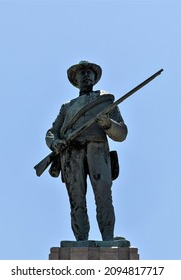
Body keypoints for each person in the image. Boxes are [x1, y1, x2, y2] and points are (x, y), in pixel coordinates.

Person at [45, 61, 128, 241]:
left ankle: (108, 238)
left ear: (94, 77)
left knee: (103, 196)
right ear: (75, 79)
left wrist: (107, 124)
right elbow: (52, 132)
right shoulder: (67, 107)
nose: (86, 75)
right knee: (76, 199)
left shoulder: (106, 100)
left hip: (97, 148)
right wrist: (55, 143)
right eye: (82, 73)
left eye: (89, 72)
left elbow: (121, 133)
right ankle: (81, 240)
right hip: (71, 153)